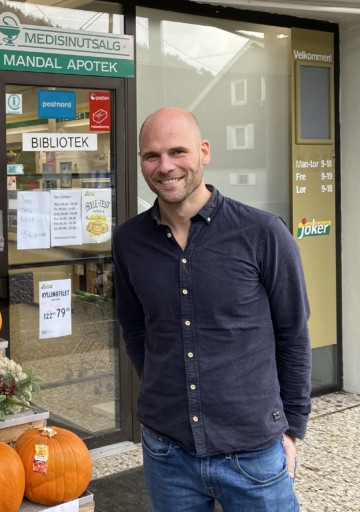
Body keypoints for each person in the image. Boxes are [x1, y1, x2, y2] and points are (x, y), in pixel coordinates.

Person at [113, 107, 311, 511]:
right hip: (167, 453)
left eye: (177, 152)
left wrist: (291, 429)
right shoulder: (128, 241)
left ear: (204, 152)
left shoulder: (262, 233)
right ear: (141, 162)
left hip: (253, 453)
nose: (165, 166)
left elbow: (293, 333)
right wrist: (160, 385)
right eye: (152, 156)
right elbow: (134, 328)